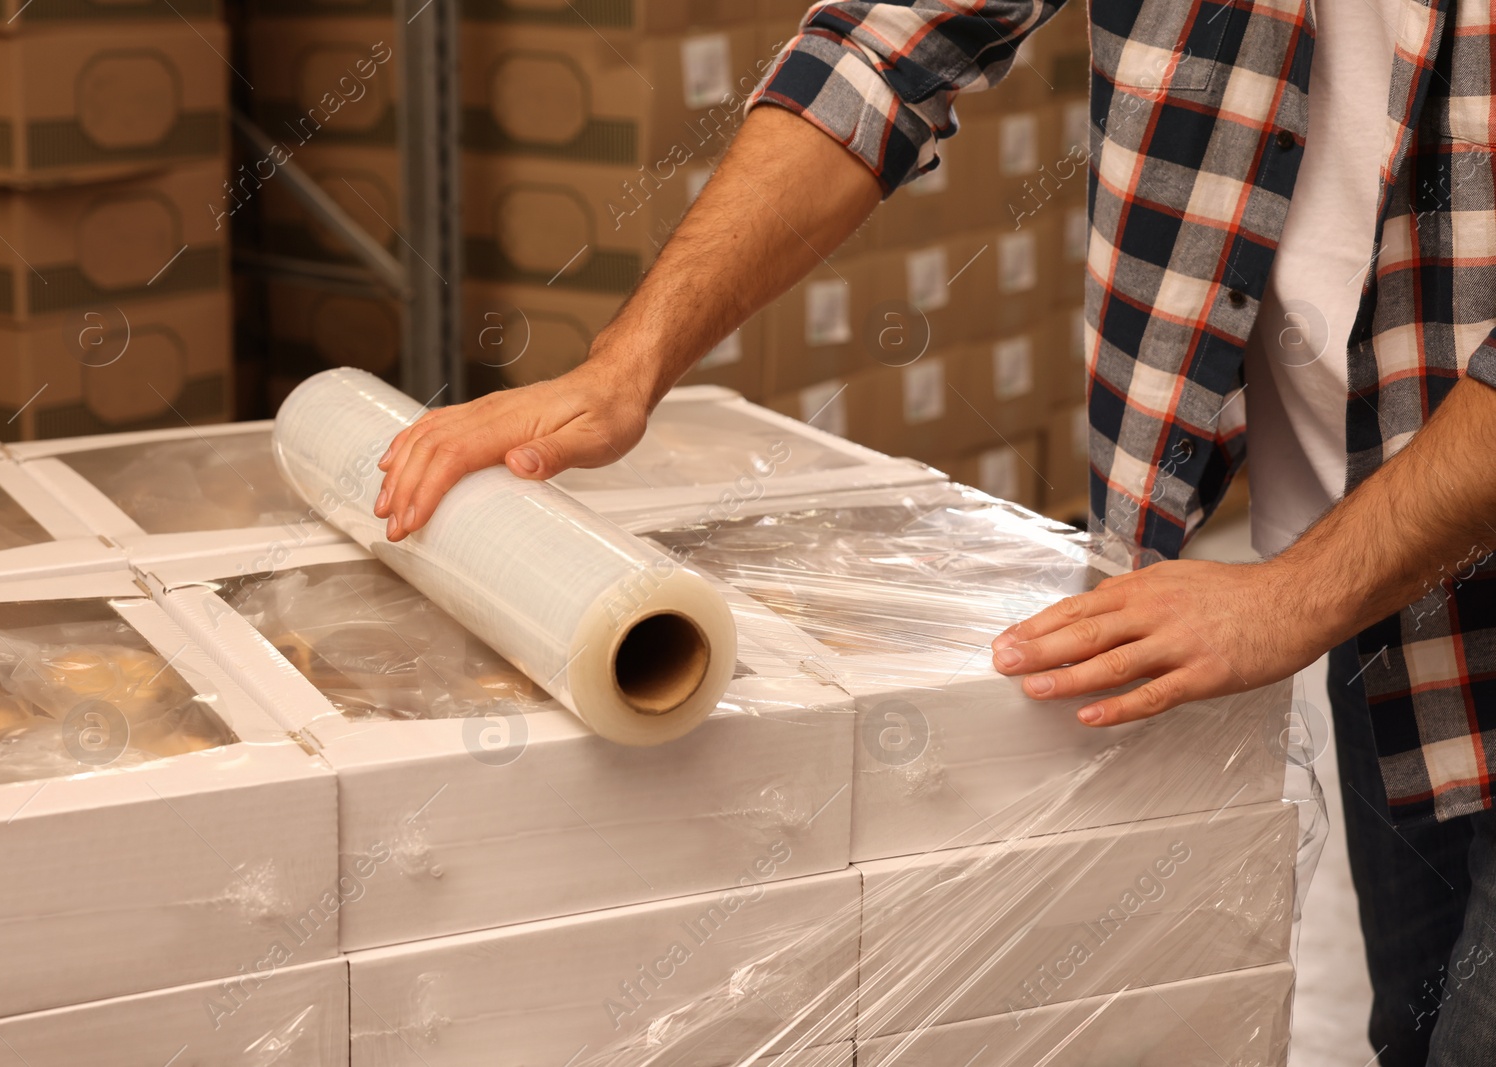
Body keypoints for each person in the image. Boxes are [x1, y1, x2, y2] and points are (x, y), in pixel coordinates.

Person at [374, 2, 1496, 1062]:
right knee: (1419, 1023)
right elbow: (883, 49)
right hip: (1391, 614)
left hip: (1397, 581)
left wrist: (1299, 592)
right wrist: (625, 366)